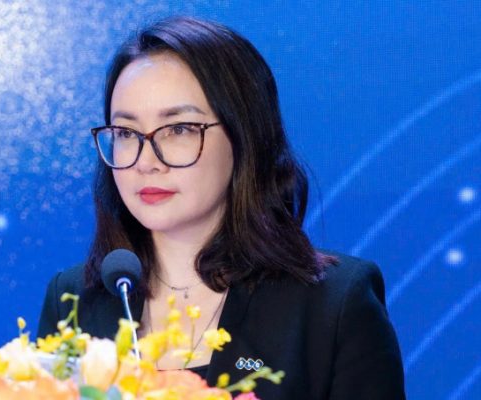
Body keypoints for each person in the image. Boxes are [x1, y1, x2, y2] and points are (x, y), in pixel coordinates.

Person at [38, 16, 405, 399]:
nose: (146, 162)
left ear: (244, 136)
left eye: (178, 129)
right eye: (127, 133)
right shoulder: (74, 300)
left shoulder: (334, 304)